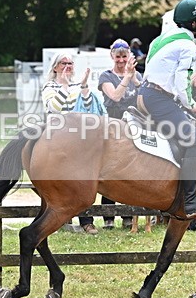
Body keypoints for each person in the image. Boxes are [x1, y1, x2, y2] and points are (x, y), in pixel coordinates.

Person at [138, 0, 196, 217]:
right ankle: (190, 199)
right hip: (159, 98)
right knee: (195, 139)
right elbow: (180, 80)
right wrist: (191, 104)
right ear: (193, 23)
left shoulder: (162, 38)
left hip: (146, 93)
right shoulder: (188, 46)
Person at [42, 53, 99, 234]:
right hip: (57, 137)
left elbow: (88, 105)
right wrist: (65, 87)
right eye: (63, 63)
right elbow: (54, 108)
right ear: (55, 67)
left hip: (78, 137)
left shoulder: (76, 85)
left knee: (83, 180)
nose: (67, 66)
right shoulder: (49, 86)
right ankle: (61, 219)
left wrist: (83, 86)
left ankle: (86, 221)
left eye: (70, 63)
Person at [98, 39, 143, 229]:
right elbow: (115, 96)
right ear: (112, 56)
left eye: (124, 56)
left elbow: (145, 95)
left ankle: (128, 216)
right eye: (118, 57)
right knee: (110, 168)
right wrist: (126, 77)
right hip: (114, 125)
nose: (121, 60)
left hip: (134, 125)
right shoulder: (106, 76)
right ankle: (108, 217)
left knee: (131, 170)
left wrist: (134, 79)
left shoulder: (135, 74)